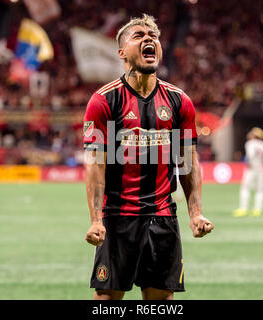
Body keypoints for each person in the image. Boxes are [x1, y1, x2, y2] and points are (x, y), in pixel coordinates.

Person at [83, 14, 214, 300]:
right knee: (106, 300)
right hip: (118, 219)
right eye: (139, 35)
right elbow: (95, 163)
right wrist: (96, 219)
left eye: (153, 36)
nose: (148, 39)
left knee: (162, 301)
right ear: (122, 52)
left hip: (163, 218)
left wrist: (195, 213)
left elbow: (188, 162)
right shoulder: (105, 100)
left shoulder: (179, 101)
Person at [232, 127, 263, 218]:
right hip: (260, 168)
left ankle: (243, 209)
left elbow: (250, 155)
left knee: (245, 188)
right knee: (259, 190)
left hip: (251, 168)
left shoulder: (250, 143)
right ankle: (257, 210)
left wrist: (250, 162)